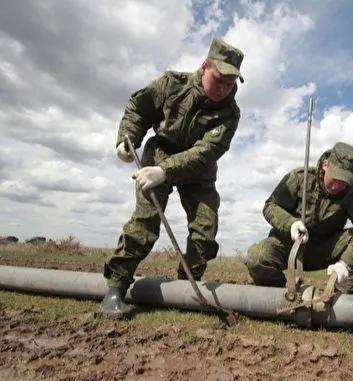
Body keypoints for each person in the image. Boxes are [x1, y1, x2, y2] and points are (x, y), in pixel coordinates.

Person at [101, 37, 245, 317]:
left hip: (197, 170)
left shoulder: (230, 113)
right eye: (219, 79)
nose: (225, 88)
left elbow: (206, 152)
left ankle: (186, 290)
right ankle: (116, 288)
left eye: (231, 83)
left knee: (205, 228)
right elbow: (138, 108)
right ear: (205, 66)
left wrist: (166, 172)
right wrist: (126, 139)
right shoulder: (171, 84)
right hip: (159, 154)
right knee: (145, 223)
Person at [244, 142, 353, 294]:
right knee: (257, 257)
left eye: (344, 182)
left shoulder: (351, 194)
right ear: (325, 165)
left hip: (324, 250)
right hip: (291, 246)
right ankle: (278, 297)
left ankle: (339, 304)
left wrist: (346, 263)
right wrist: (291, 224)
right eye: (336, 177)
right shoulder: (299, 179)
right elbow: (270, 206)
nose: (337, 186)